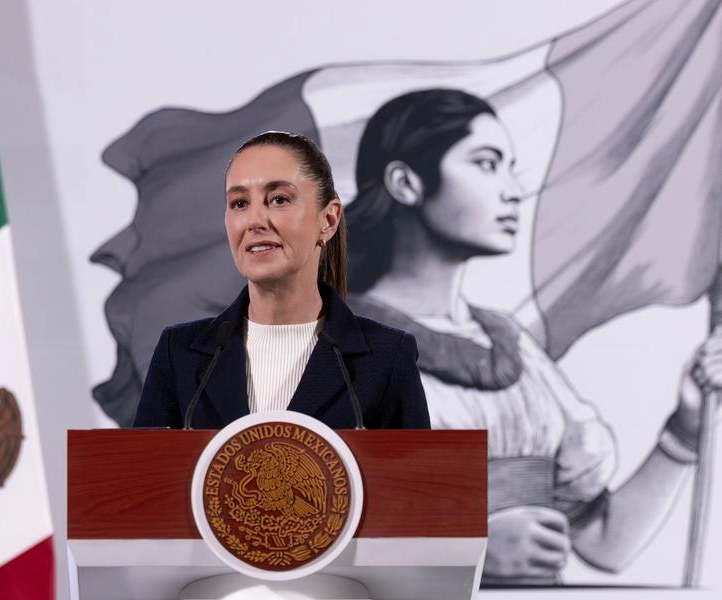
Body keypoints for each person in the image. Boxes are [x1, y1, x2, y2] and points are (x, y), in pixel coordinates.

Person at [345, 89, 722, 585]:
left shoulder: (513, 345)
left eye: (510, 166)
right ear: (405, 182)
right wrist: (467, 553)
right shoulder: (337, 349)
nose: (512, 189)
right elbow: (281, 543)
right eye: (486, 163)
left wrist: (687, 426)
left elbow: (605, 544)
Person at [133, 131, 430, 430]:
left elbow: (417, 477)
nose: (254, 221)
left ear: (327, 221)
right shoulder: (180, 354)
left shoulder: (387, 357)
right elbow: (140, 475)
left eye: (278, 199)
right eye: (239, 203)